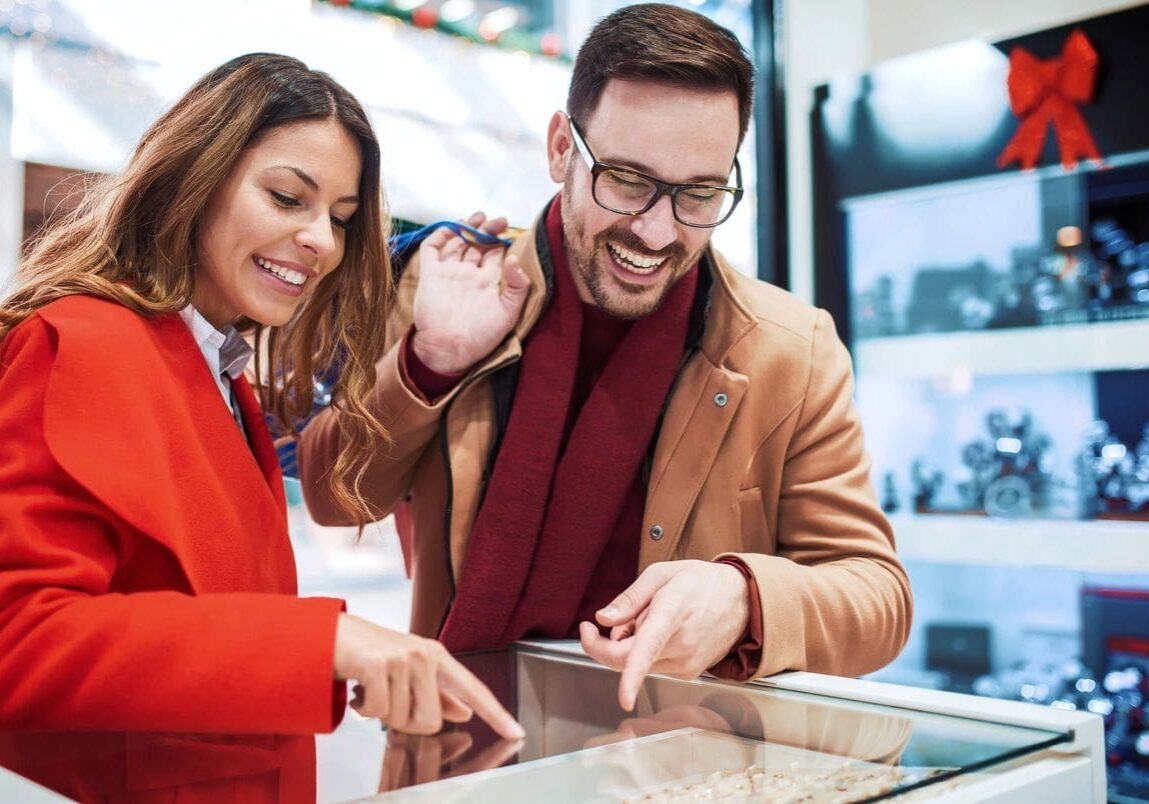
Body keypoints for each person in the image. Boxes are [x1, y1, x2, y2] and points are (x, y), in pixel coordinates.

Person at [299, 4, 912, 712]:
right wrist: (428, 362)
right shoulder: (446, 287)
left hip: (684, 768)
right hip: (459, 749)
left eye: (700, 193)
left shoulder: (789, 349)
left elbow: (878, 597)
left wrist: (745, 597)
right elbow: (332, 498)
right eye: (625, 179)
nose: (656, 230)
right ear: (562, 147)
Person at [0, 51, 523, 756]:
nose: (319, 242)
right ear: (194, 177)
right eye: (286, 197)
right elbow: (21, 641)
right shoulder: (81, 343)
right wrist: (324, 640)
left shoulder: (218, 370)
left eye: (340, 219)